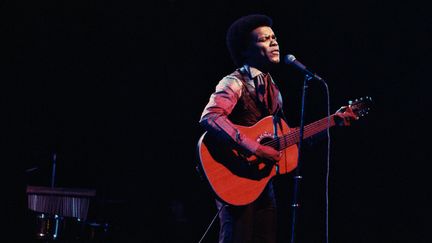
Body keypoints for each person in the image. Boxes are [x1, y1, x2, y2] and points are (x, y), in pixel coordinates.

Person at [199, 14, 355, 243]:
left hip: (262, 183)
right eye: (264, 39)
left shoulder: (273, 90)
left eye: (274, 37)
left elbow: (290, 137)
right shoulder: (233, 82)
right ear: (245, 50)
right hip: (235, 176)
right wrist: (256, 149)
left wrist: (333, 122)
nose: (274, 43)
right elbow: (210, 117)